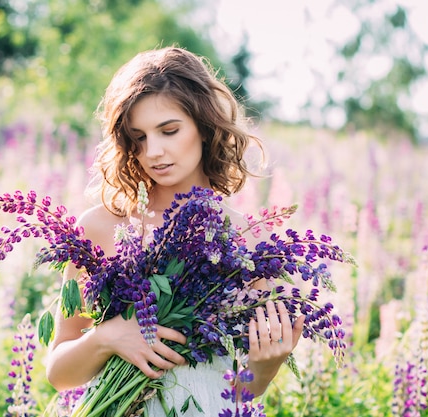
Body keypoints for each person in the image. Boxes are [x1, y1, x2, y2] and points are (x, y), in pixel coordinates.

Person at [45, 46, 305, 415]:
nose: (153, 151)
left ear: (204, 125)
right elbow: (59, 374)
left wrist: (263, 371)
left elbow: (236, 397)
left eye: (169, 130)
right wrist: (106, 338)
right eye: (139, 137)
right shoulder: (101, 227)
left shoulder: (248, 243)